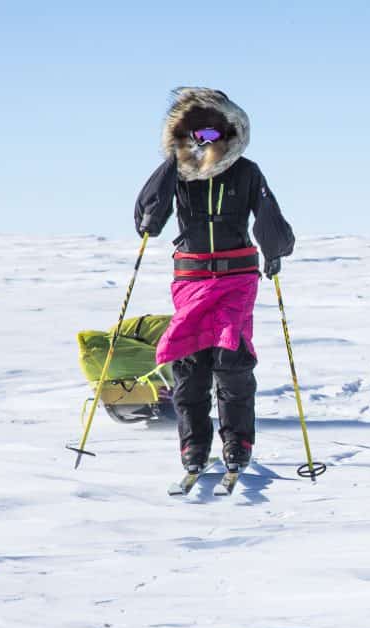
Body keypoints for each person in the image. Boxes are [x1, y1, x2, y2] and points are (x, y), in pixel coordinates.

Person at [134, 87, 294, 473]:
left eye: (209, 135)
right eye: (193, 135)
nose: (202, 143)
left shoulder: (247, 171)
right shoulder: (178, 174)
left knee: (231, 360)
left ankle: (237, 441)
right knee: (190, 363)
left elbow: (269, 217)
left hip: (236, 277)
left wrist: (273, 250)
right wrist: (172, 163)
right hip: (191, 279)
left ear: (229, 133)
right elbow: (147, 216)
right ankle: (193, 445)